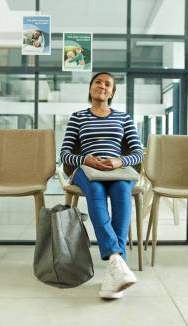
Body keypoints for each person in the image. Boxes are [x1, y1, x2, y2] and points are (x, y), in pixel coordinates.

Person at [60, 72, 143, 299]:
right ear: (90, 88)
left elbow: (137, 153)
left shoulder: (124, 118)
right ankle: (118, 260)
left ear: (112, 92)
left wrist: (119, 160)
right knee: (95, 192)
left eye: (108, 84)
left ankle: (114, 270)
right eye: (98, 82)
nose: (102, 86)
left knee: (121, 191)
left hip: (117, 170)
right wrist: (85, 159)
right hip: (86, 170)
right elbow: (65, 154)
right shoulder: (78, 117)